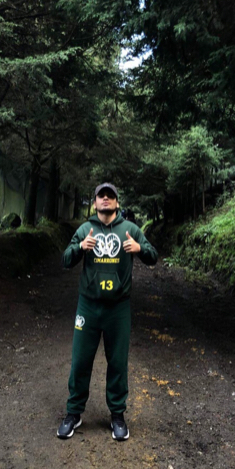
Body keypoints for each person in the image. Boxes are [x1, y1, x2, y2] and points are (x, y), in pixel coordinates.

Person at [57, 182, 158, 440]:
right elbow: (66, 259)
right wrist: (80, 248)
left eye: (110, 196)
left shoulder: (130, 229)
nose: (105, 199)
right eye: (101, 196)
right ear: (94, 203)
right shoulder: (85, 229)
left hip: (118, 308)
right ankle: (73, 412)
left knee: (117, 362)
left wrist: (139, 249)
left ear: (116, 202)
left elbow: (153, 255)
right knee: (80, 360)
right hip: (88, 306)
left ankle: (117, 416)